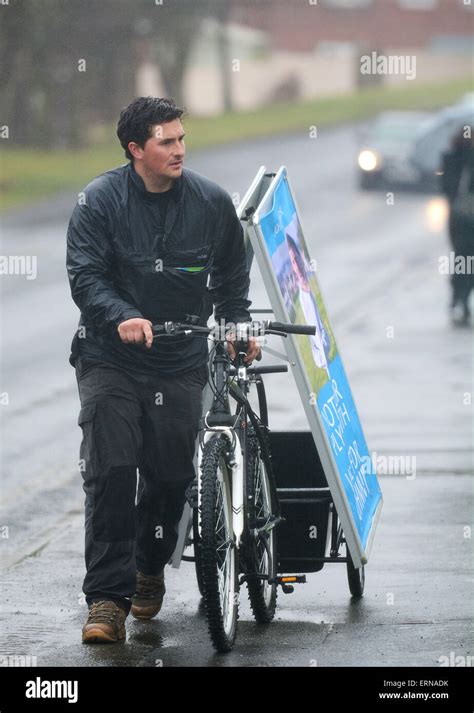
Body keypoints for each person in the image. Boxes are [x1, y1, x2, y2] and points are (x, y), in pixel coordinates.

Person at [66, 97, 260, 643]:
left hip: (179, 361)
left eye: (181, 139)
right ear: (135, 150)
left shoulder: (211, 202)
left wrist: (237, 325)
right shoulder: (98, 202)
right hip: (111, 358)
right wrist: (123, 315)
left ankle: (149, 566)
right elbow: (85, 277)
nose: (179, 150)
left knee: (172, 476)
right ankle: (107, 600)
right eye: (166, 142)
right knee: (111, 470)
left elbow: (230, 276)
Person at [440, 128, 474, 326]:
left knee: (463, 260)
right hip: (462, 219)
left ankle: (460, 299)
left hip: (459, 219)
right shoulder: (454, 158)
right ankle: (459, 298)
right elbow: (449, 186)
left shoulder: (453, 158)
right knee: (463, 260)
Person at [286, 232, 331, 377]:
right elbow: (316, 339)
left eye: (296, 258)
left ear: (301, 256)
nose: (296, 265)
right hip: (325, 361)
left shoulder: (317, 281)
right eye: (292, 262)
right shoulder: (303, 298)